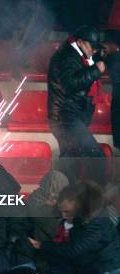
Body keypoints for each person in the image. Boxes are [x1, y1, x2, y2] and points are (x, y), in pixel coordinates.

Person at [29, 182, 120, 274]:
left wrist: (41, 245)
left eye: (67, 212)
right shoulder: (84, 216)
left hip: (104, 270)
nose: (64, 216)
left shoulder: (97, 220)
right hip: (94, 269)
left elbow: (75, 248)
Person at [47, 26, 107, 183]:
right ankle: (93, 197)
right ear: (80, 42)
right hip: (64, 118)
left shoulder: (80, 53)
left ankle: (73, 198)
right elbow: (69, 84)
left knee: (71, 161)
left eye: (96, 48)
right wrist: (96, 71)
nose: (94, 51)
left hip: (73, 116)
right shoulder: (65, 57)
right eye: (91, 47)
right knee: (95, 156)